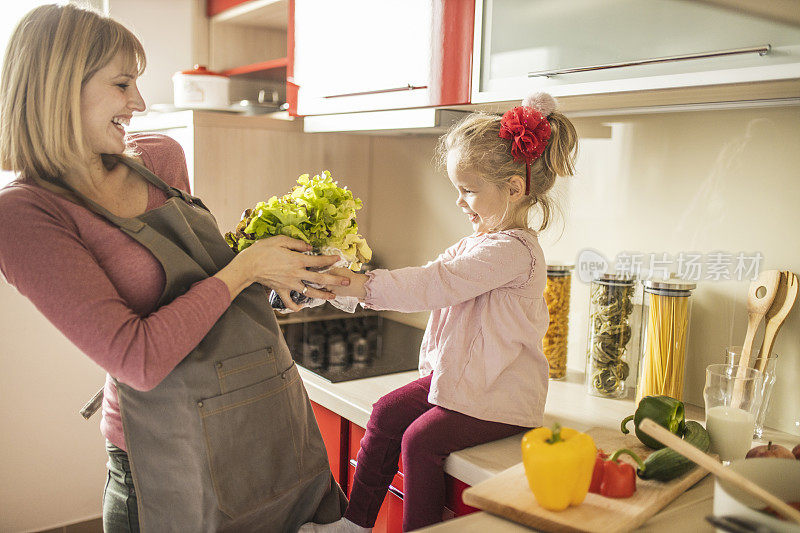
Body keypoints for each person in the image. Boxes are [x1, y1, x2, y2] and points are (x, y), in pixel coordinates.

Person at [0, 4, 352, 531]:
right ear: (59, 89)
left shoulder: (160, 157)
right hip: (162, 452)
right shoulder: (26, 214)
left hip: (265, 410)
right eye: (122, 84)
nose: (139, 103)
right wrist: (246, 270)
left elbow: (205, 282)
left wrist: (282, 277)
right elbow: (138, 358)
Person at [300, 93, 578, 532]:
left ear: (514, 189)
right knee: (387, 413)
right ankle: (353, 525)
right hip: (466, 380)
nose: (459, 201)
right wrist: (342, 283)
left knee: (419, 441)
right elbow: (432, 275)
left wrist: (357, 285)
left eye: (468, 190)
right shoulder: (482, 242)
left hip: (499, 396)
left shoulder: (513, 251)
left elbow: (433, 285)